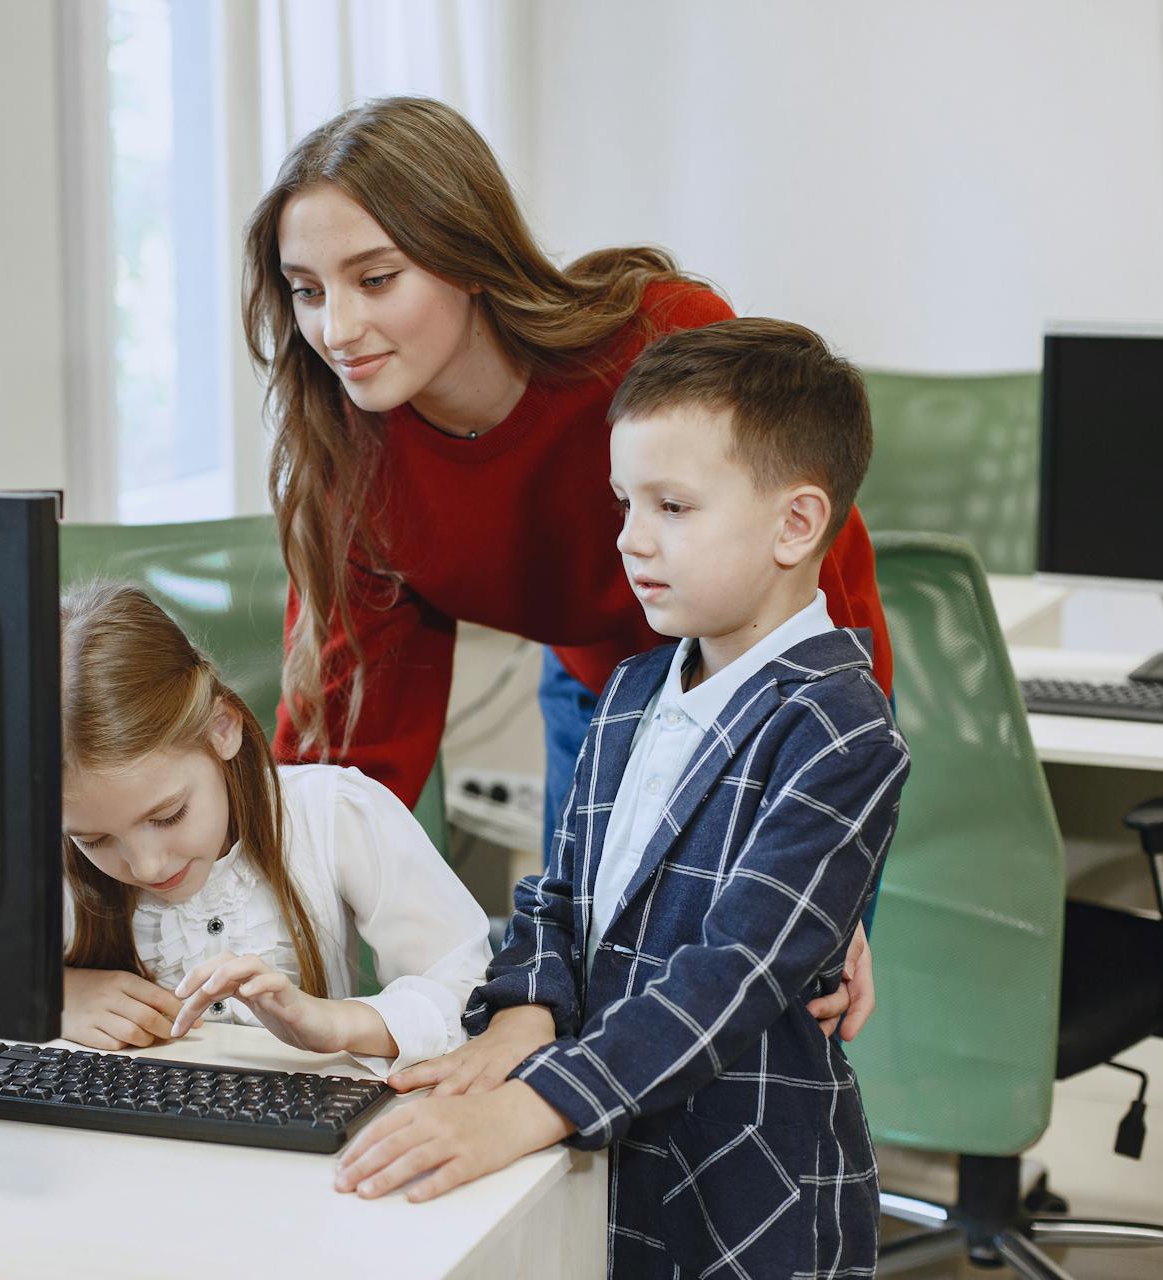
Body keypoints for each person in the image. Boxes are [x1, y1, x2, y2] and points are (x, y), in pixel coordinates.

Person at [242, 95, 883, 1035]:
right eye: (305, 289)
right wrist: (252, 921)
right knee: (589, 1012)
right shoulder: (354, 458)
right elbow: (350, 748)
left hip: (781, 693)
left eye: (376, 279)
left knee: (760, 1024)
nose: (335, 327)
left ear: (466, 253)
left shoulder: (653, 340)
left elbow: (813, 589)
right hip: (603, 696)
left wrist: (818, 855)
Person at [334, 319, 908, 1280]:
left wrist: (525, 1106)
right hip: (604, 1152)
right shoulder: (634, 690)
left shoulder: (841, 734)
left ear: (796, 524)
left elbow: (731, 974)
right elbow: (559, 894)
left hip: (744, 1189)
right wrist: (524, 1009)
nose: (631, 540)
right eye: (624, 503)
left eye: (673, 507)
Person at [56, 581, 491, 1075]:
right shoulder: (46, 836)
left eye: (168, 815)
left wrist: (336, 1022)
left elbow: (470, 991)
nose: (146, 865)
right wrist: (56, 996)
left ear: (222, 729)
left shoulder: (334, 811)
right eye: (94, 840)